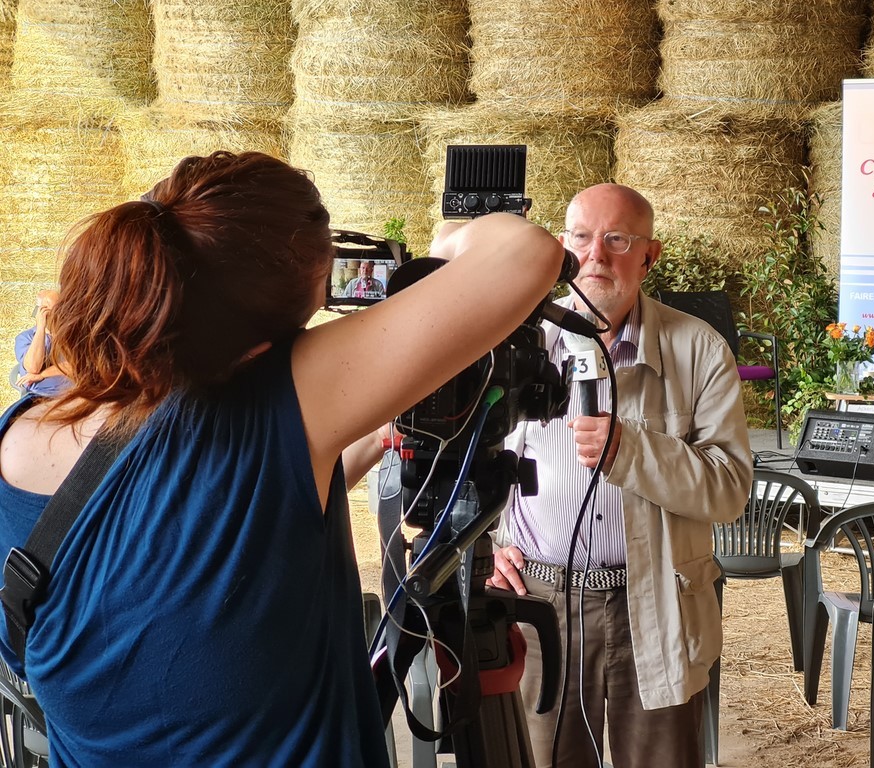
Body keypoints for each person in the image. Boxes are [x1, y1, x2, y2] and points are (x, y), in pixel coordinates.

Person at [0, 151, 566, 765]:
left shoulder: (20, 432)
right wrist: (452, 243)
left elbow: (202, 550)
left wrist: (360, 442)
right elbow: (528, 254)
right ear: (266, 343)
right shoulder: (275, 404)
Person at [489, 183, 753, 768]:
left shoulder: (698, 349)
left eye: (617, 240)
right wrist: (491, 544)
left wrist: (628, 449)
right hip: (539, 601)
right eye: (581, 238)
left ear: (649, 255)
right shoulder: (515, 344)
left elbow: (730, 487)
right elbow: (473, 463)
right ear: (561, 248)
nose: (596, 256)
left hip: (655, 602)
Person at [13, 289, 71, 397]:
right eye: (54, 310)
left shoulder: (70, 336)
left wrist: (43, 374)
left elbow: (77, 367)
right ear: (40, 312)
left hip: (73, 394)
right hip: (41, 395)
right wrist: (41, 328)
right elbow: (33, 367)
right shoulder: (25, 337)